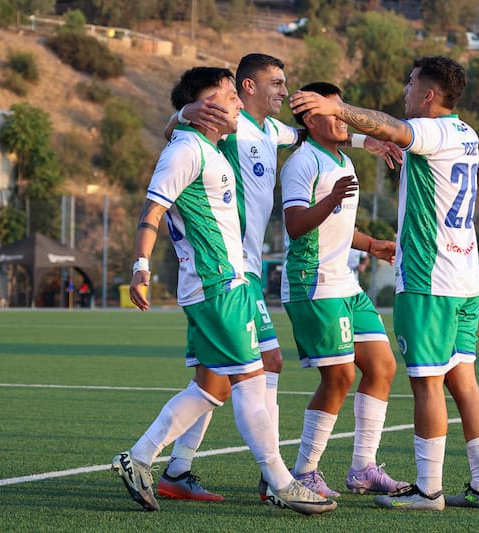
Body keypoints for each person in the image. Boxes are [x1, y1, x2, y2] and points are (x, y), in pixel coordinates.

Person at [161, 54, 400, 500]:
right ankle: (278, 479)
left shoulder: (273, 132)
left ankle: (179, 471)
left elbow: (315, 130)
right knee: (256, 367)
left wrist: (366, 138)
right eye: (276, 82)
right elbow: (178, 137)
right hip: (224, 268)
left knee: (216, 376)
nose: (284, 92)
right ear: (247, 87)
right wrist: (180, 115)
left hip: (244, 268)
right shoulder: (228, 127)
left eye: (287, 83)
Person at [111, 66, 336, 516]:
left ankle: (140, 459)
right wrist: (140, 268)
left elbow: (297, 134)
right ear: (205, 107)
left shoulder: (214, 147)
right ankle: (280, 482)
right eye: (228, 95)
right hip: (218, 285)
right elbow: (152, 209)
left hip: (225, 282)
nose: (236, 101)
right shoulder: (187, 150)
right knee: (252, 380)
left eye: (236, 93)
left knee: (212, 386)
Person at [290, 56, 479, 511]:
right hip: (465, 279)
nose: (405, 91)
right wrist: (362, 136)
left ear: (428, 95)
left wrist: (337, 106)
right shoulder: (467, 134)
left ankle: (429, 491)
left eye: (410, 84)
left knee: (426, 384)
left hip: (429, 280)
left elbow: (392, 128)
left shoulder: (433, 131)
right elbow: (390, 137)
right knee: (464, 381)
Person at [281, 81, 408, 498]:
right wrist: (332, 197)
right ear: (309, 118)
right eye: (332, 113)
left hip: (345, 283)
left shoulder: (343, 161)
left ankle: (363, 469)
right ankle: (304, 471)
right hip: (312, 282)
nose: (342, 119)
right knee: (339, 376)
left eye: (343, 112)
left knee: (383, 367)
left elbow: (338, 226)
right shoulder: (302, 163)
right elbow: (297, 226)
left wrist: (372, 244)